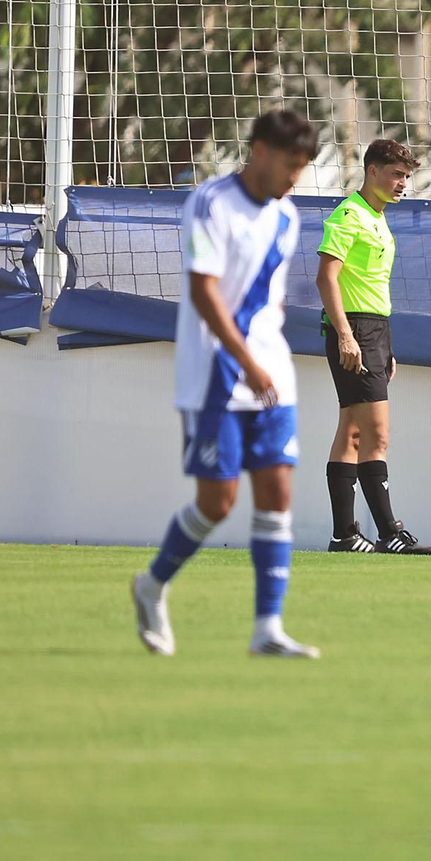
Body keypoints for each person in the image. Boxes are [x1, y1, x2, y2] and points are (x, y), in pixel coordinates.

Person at [130, 108, 324, 659]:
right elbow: (205, 294)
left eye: (302, 169)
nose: (294, 179)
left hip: (271, 376)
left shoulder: (288, 216)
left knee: (278, 491)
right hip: (215, 376)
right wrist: (248, 360)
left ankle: (268, 629)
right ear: (259, 150)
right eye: (290, 165)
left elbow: (272, 296)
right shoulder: (210, 203)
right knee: (217, 503)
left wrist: (269, 358)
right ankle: (151, 585)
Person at [316, 139, 431, 555]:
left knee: (351, 432)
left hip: (375, 333)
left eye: (407, 177)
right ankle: (388, 532)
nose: (403, 184)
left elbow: (370, 288)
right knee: (376, 435)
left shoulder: (378, 218)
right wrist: (347, 335)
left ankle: (344, 535)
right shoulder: (349, 214)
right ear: (372, 172)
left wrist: (387, 347)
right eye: (396, 175)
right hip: (357, 333)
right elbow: (326, 278)